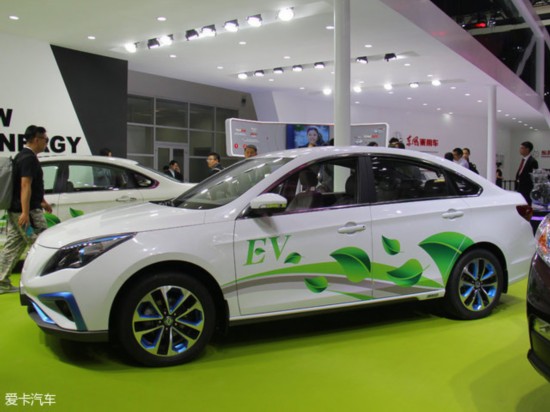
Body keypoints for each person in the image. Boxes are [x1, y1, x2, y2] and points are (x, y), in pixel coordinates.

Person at [0, 125, 52, 294]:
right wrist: (25, 212)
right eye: (45, 139)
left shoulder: (21, 156)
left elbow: (29, 186)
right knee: (41, 243)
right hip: (27, 213)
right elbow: (25, 185)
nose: (46, 143)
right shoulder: (29, 159)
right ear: (36, 139)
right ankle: (44, 281)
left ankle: (1, 281)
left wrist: (42, 201)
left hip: (17, 210)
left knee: (13, 245)